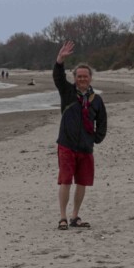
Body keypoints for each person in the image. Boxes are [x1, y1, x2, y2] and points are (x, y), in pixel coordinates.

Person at [53, 40, 107, 230]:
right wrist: (60, 60)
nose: (82, 79)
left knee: (82, 182)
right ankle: (63, 218)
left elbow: (102, 122)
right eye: (79, 76)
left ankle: (75, 216)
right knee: (66, 181)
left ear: (90, 78)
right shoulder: (67, 92)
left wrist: (96, 138)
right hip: (66, 145)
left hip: (86, 147)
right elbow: (58, 77)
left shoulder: (96, 99)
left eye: (85, 76)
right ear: (74, 77)